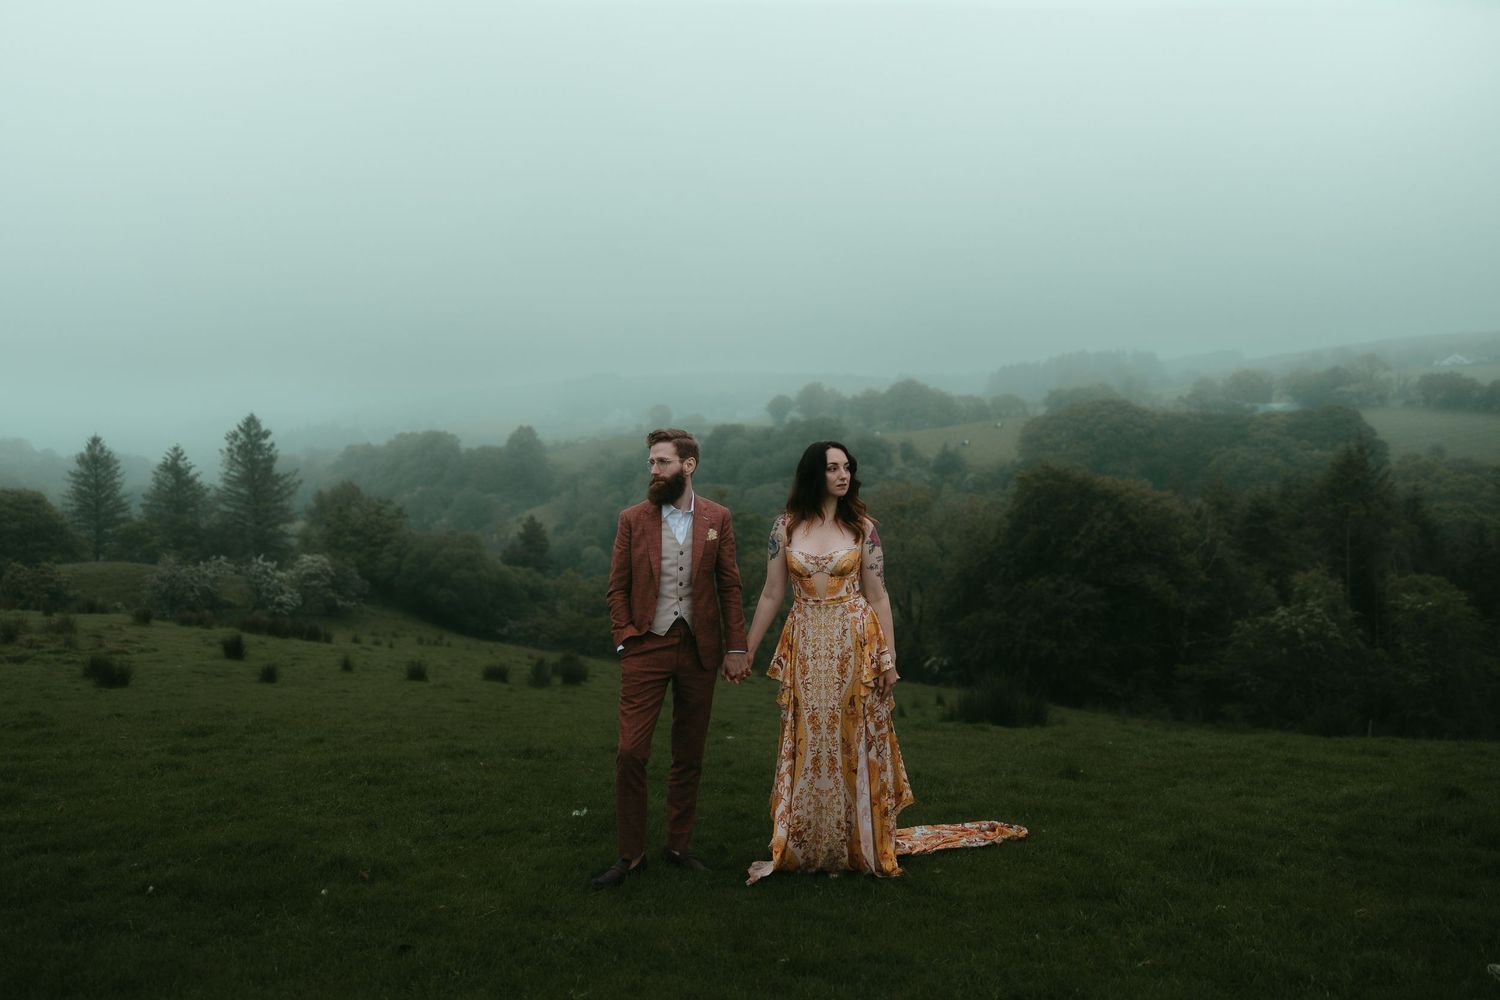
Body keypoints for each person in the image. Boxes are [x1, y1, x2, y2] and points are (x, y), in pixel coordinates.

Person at [743, 440, 1026, 884]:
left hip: (855, 643)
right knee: (810, 741)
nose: (843, 475)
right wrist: (746, 649)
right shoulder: (784, 527)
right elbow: (771, 593)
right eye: (832, 468)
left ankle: (859, 845)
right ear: (813, 474)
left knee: (852, 740)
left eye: (847, 467)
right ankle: (808, 843)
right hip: (806, 644)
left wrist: (887, 660)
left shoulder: (863, 529)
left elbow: (878, 595)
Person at [592, 428, 751, 889]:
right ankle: (631, 855)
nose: (654, 469)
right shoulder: (632, 519)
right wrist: (625, 638)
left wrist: (735, 647)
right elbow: (617, 587)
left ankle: (679, 846)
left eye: (663, 462)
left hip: (700, 648)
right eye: (651, 462)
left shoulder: (718, 517)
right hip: (646, 645)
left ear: (689, 465)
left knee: (689, 752)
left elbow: (729, 585)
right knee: (631, 752)